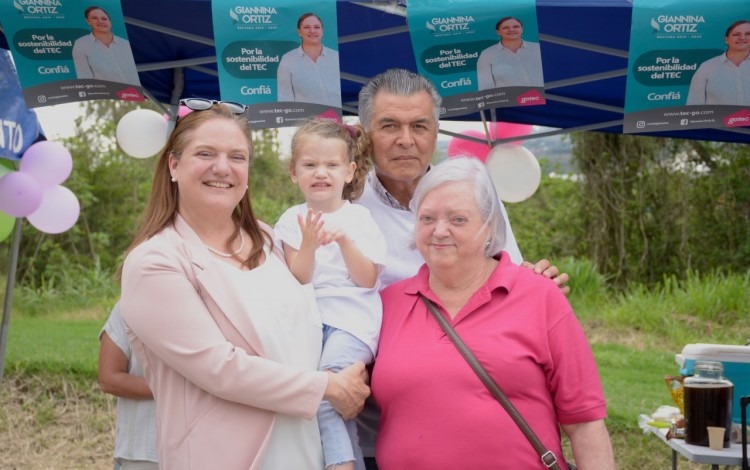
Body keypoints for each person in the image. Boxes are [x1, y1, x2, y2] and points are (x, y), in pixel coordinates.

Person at [119, 98, 370, 469]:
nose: (223, 168)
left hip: (304, 449)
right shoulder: (155, 262)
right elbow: (219, 368)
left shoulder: (267, 241)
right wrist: (329, 387)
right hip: (229, 457)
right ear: (174, 165)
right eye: (205, 153)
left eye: (237, 157)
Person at [354, 68, 569, 469]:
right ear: (365, 132)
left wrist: (539, 286)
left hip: (479, 432)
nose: (406, 139)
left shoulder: (475, 198)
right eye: (389, 125)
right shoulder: (344, 207)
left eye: (419, 125)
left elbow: (510, 286)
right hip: (378, 434)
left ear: (436, 131)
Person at [372, 157, 615, 469]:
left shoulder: (540, 297)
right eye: (427, 218)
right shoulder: (387, 304)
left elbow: (585, 422)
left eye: (458, 219)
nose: (440, 230)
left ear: (489, 226)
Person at [275, 117, 386, 470]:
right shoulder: (291, 220)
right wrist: (308, 244)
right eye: (310, 164)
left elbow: (367, 279)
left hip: (351, 324)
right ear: (294, 172)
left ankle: (342, 465)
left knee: (327, 394)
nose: (320, 172)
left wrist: (343, 240)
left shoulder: (360, 219)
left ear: (350, 171)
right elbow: (299, 278)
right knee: (314, 399)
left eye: (331, 164)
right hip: (309, 323)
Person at [98, 302, 158, 470]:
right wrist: (172, 390)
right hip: (143, 455)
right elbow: (109, 378)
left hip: (206, 451)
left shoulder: (213, 300)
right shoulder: (128, 306)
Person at [277, 13, 342, 107]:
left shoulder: (336, 57)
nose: (312, 31)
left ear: (322, 31)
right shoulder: (288, 59)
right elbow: (284, 99)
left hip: (336, 119)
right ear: (299, 31)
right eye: (307, 27)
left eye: (317, 27)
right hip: (305, 120)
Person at [71, 6, 140, 85]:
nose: (100, 21)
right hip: (107, 95)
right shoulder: (81, 44)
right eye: (94, 18)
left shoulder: (125, 44)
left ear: (110, 22)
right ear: (88, 21)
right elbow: (84, 76)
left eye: (104, 19)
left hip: (135, 92)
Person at [686, 20, 750, 106]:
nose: (742, 38)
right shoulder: (707, 67)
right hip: (717, 119)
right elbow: (693, 105)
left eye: (748, 34)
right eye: (736, 34)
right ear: (726, 40)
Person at [476, 16, 544, 91]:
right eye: (505, 28)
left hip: (544, 96)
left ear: (522, 29)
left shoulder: (537, 48)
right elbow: (485, 87)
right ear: (498, 32)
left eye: (516, 26)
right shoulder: (487, 54)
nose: (511, 30)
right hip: (510, 101)